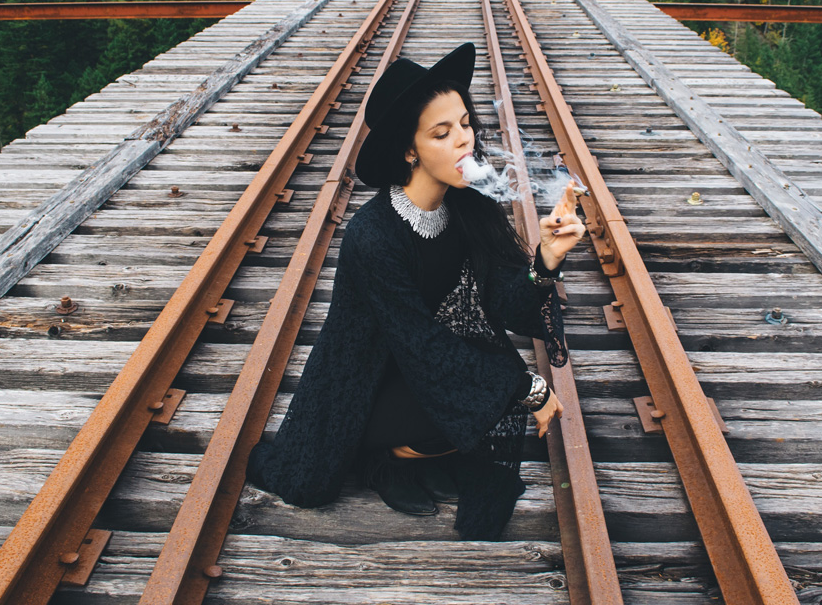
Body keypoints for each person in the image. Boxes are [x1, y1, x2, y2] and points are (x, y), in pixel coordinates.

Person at [247, 42, 586, 540]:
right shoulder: (373, 235)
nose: (463, 141)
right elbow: (421, 345)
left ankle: (415, 452)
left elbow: (506, 305)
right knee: (484, 397)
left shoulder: (468, 205)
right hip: (370, 380)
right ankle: (384, 458)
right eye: (442, 133)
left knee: (480, 397)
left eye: (465, 124)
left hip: (424, 365)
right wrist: (526, 387)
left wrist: (547, 260)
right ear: (410, 150)